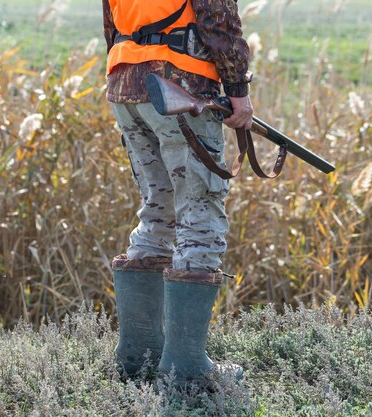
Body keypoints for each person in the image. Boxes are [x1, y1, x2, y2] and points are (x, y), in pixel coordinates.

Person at [102, 0, 253, 386]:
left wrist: (131, 76)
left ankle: (139, 357)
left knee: (157, 212)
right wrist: (238, 91)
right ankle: (187, 368)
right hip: (179, 82)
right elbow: (219, 19)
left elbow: (110, 20)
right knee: (199, 219)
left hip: (126, 83)